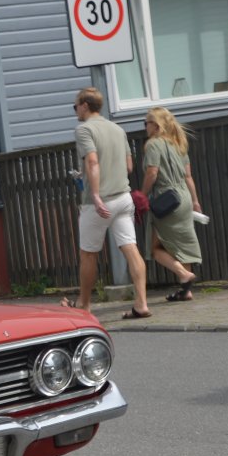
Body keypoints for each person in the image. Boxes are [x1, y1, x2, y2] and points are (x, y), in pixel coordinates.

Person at [61, 87, 151, 319]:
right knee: (131, 249)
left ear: (84, 105)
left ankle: (85, 305)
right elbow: (129, 166)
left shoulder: (84, 129)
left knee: (89, 255)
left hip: (98, 204)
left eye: (75, 106)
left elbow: (92, 161)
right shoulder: (117, 129)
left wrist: (96, 193)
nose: (75, 111)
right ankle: (141, 303)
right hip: (124, 197)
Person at [141, 106, 204, 302]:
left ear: (156, 125)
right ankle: (186, 291)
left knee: (155, 248)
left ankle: (183, 275)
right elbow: (188, 176)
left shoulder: (153, 145)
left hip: (165, 198)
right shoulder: (179, 144)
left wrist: (142, 195)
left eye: (146, 123)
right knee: (182, 244)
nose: (145, 127)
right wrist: (195, 201)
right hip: (183, 197)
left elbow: (152, 172)